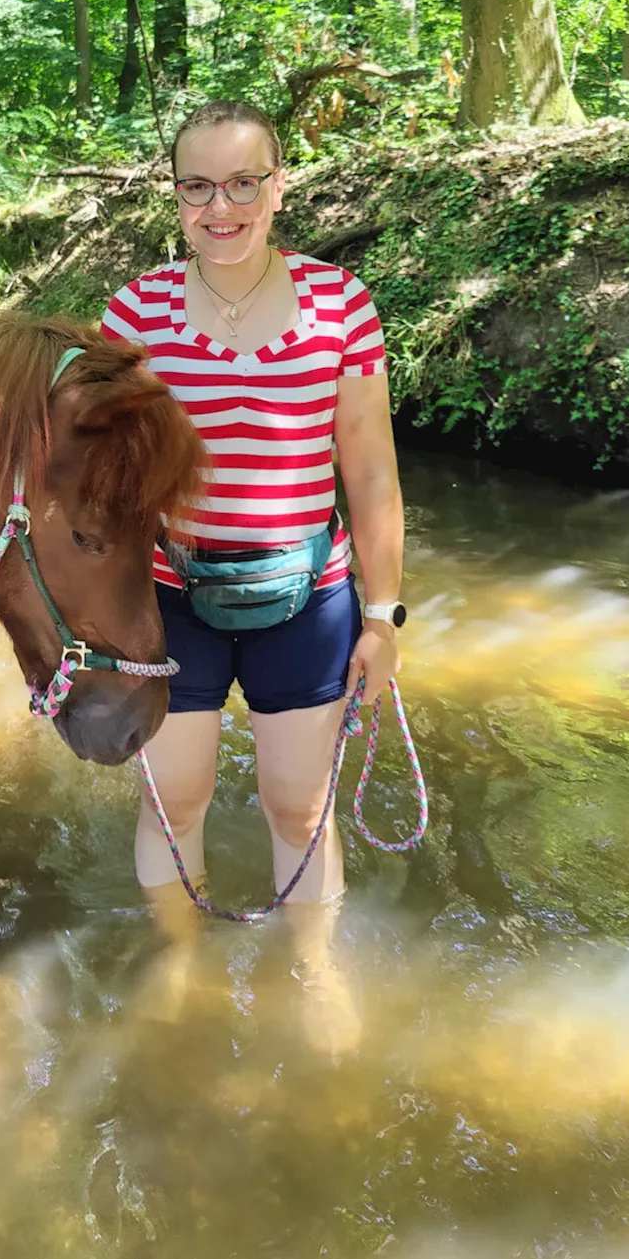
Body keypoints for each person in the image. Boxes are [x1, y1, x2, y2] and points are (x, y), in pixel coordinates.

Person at [100, 99, 405, 921]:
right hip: (169, 599)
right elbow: (96, 480)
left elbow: (371, 471)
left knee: (300, 808)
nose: (220, 208)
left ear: (281, 186)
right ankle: (177, 974)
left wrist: (382, 620)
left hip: (311, 597)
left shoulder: (343, 304)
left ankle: (312, 975)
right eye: (196, 187)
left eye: (243, 182)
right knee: (174, 799)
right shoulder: (132, 316)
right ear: (173, 197)